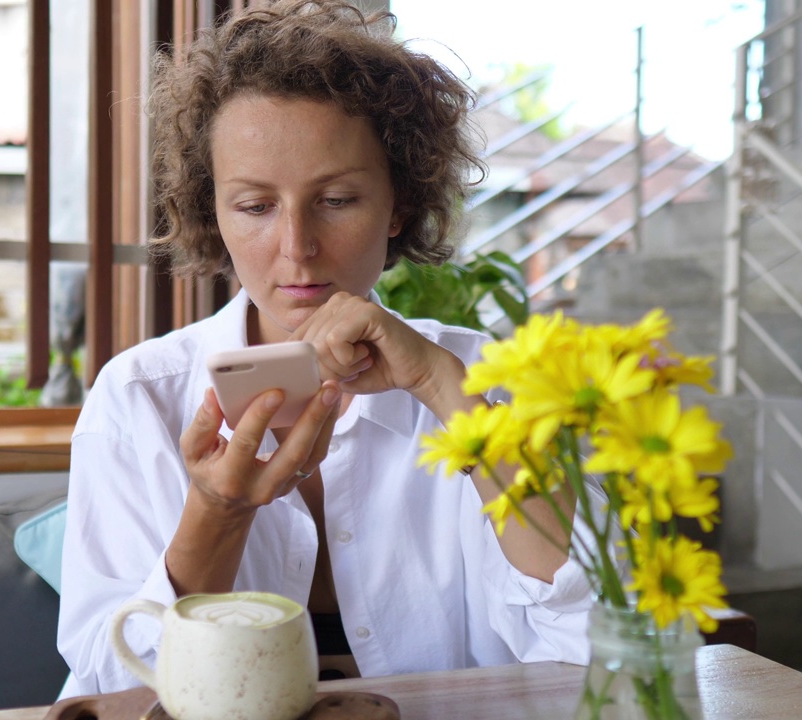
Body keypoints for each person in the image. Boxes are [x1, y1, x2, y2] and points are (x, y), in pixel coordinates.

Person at [57, 0, 593, 697]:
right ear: (211, 212)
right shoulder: (138, 397)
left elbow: (594, 649)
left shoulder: (486, 381)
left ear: (398, 204)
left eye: (337, 200)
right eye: (254, 206)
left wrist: (443, 390)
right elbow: (109, 689)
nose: (297, 248)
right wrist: (217, 514)